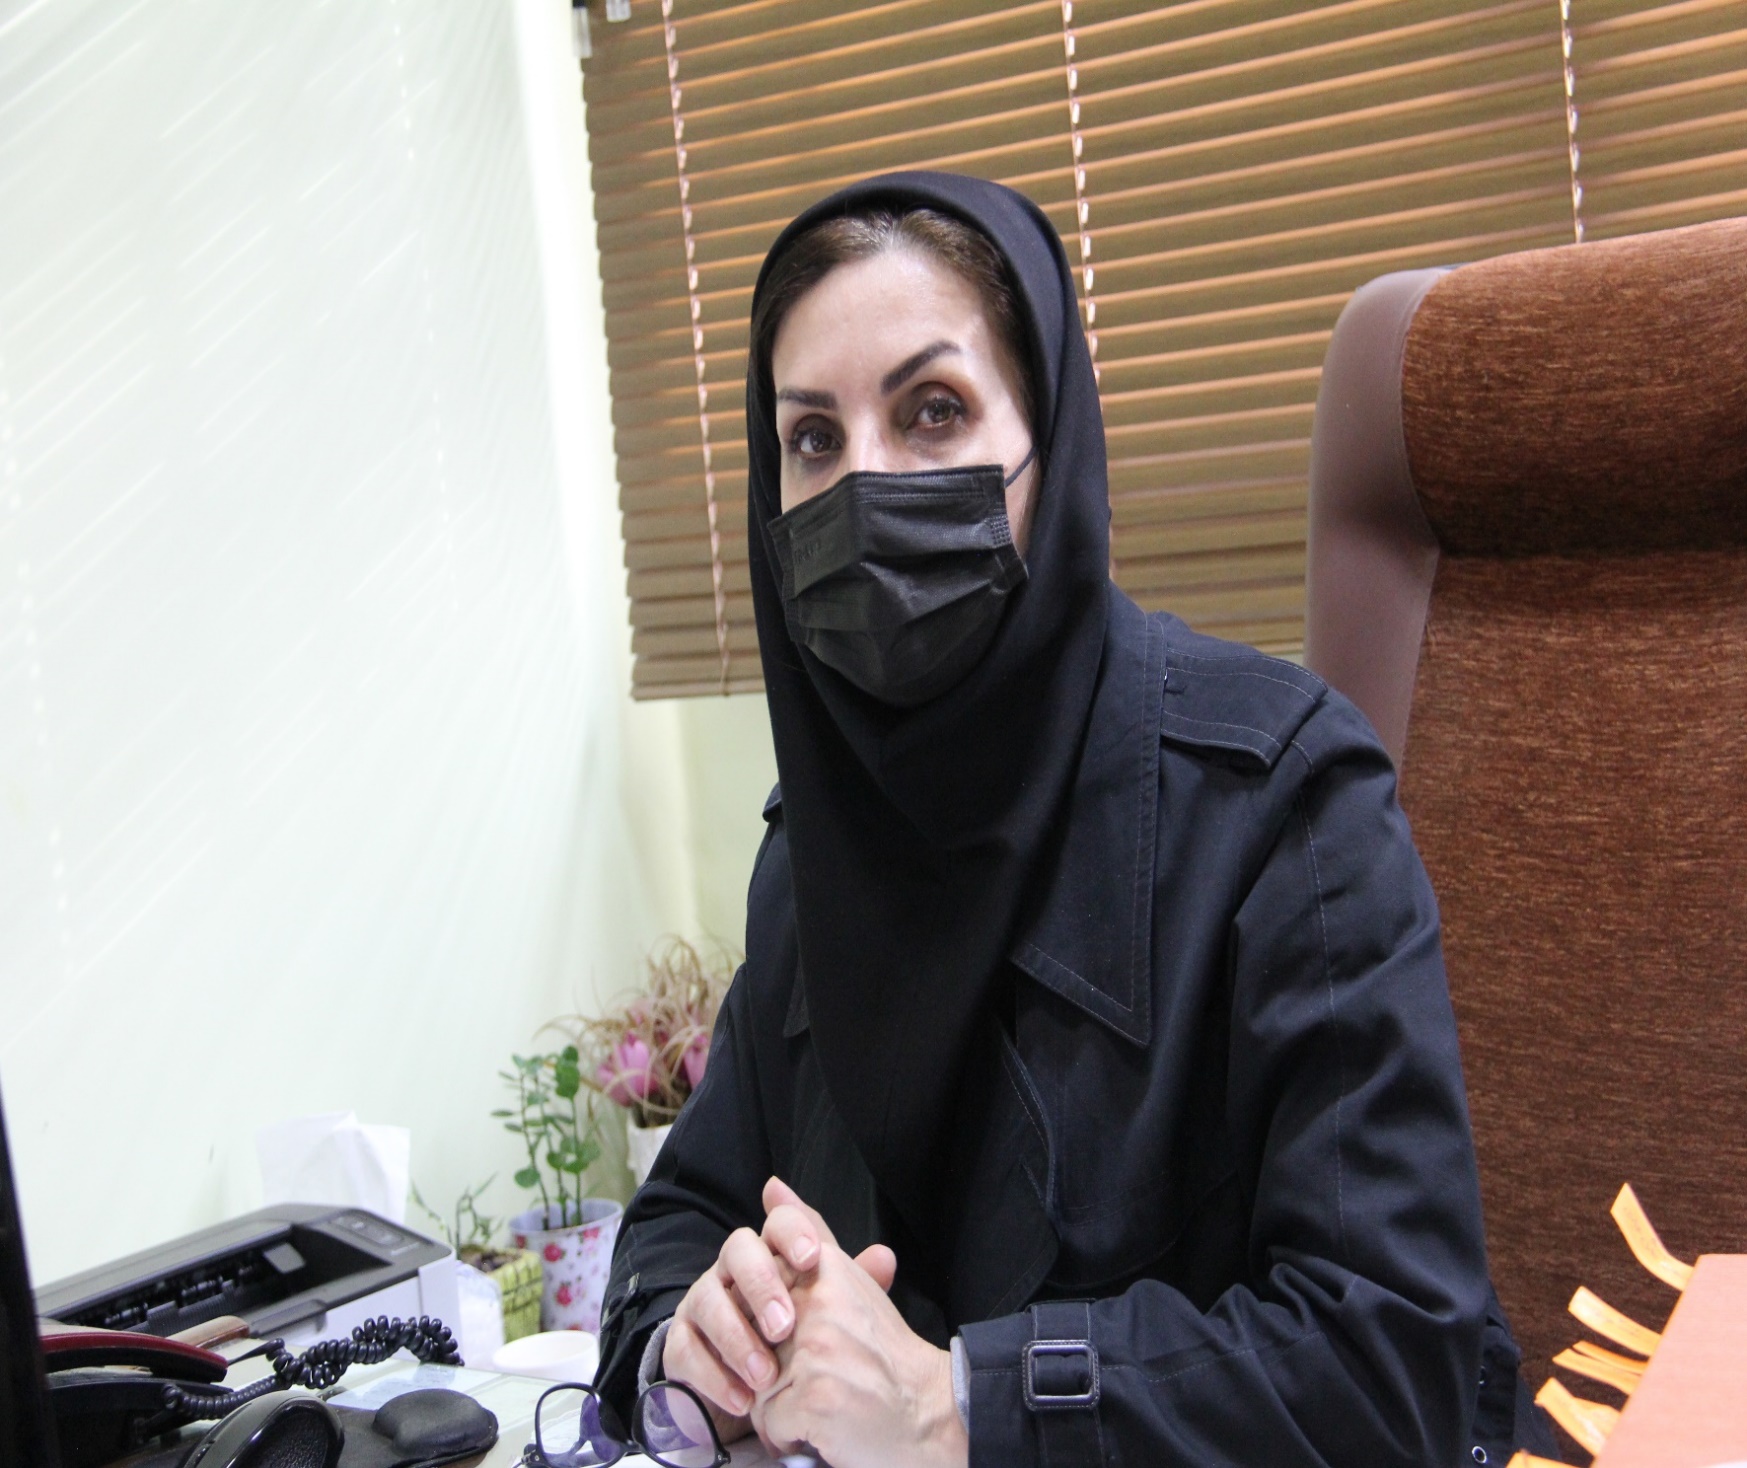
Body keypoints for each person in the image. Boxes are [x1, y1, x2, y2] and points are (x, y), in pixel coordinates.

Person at [595, 172, 1558, 1468]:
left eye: (933, 411)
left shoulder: (1282, 801)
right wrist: (691, 1344)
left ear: (1050, 438)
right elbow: (679, 1220)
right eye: (812, 439)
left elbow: (1389, 1359)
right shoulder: (816, 850)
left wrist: (966, 1403)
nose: (865, 485)